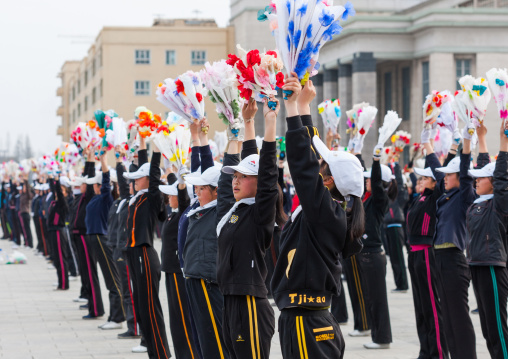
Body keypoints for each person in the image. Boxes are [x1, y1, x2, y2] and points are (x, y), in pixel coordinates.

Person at [272, 76, 364, 358]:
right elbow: (310, 158)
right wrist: (302, 109)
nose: (318, 165)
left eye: (323, 166)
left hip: (307, 321)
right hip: (303, 317)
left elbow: (303, 165)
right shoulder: (330, 211)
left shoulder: (328, 213)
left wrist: (293, 109)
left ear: (328, 181)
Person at [216, 96, 280, 358]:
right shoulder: (235, 211)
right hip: (230, 298)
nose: (236, 181)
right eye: (236, 176)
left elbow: (266, 172)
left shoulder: (260, 213)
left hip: (250, 302)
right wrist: (248, 122)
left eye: (243, 177)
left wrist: (270, 123)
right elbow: (251, 160)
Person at [429, 123, 489, 359]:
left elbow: (466, 174)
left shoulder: (465, 196)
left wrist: (466, 145)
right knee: (448, 315)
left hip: (454, 259)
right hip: (441, 259)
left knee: (459, 315)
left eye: (449, 175)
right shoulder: (445, 197)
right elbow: (436, 172)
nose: (445, 178)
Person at [183, 118, 229, 359]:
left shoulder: (221, 210)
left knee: (215, 342)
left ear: (217, 191)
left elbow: (214, 171)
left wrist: (233, 135)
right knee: (202, 338)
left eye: (202, 189)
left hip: (207, 280)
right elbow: (200, 171)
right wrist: (196, 138)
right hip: (193, 278)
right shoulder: (199, 208)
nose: (197, 192)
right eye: (197, 188)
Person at [406, 128, 452, 359]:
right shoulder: (420, 197)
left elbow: (441, 174)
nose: (420, 180)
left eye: (424, 178)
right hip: (414, 255)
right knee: (421, 306)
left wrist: (429, 147)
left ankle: (439, 353)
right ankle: (426, 350)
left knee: (433, 307)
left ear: (435, 182)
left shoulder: (437, 196)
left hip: (427, 254)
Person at [124, 139, 171, 359]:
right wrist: (141, 142)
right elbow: (140, 168)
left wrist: (156, 151)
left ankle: (161, 353)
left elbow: (153, 176)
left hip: (144, 253)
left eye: (137, 178)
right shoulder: (136, 198)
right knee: (142, 308)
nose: (133, 182)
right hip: (134, 254)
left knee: (151, 308)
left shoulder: (152, 198)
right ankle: (153, 352)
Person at [466, 122, 508, 359]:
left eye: (481, 179)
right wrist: (482, 138)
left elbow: (500, 177)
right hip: (477, 265)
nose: (476, 181)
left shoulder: (499, 204)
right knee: (487, 327)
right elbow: (487, 168)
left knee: (497, 327)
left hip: (493, 266)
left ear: (492, 182)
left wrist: (504, 143)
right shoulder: (480, 202)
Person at [352, 141, 394, 349]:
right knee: (371, 298)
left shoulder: (380, 199)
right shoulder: (366, 198)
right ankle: (377, 336)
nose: (367, 180)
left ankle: (383, 338)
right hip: (366, 254)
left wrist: (376, 161)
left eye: (370, 178)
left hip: (374, 255)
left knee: (378, 300)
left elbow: (377, 184)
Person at [159, 167, 198, 359]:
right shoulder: (172, 213)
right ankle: (181, 353)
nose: (168, 198)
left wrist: (181, 184)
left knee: (182, 317)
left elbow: (183, 199)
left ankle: (188, 354)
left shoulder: (183, 213)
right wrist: (174, 170)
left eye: (171, 195)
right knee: (175, 318)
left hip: (177, 270)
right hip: (169, 270)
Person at [84, 151, 125, 329]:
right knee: (108, 278)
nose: (94, 186)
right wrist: (90, 159)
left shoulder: (106, 198)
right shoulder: (95, 198)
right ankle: (114, 316)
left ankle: (117, 318)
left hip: (102, 239)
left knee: (112, 279)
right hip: (94, 239)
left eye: (97, 184)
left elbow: (107, 182)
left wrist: (103, 161)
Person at [384, 158, 409, 293]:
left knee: (398, 258)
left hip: (395, 226)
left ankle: (403, 284)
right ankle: (399, 284)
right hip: (388, 227)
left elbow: (398, 182)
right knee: (393, 258)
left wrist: (396, 165)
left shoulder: (397, 197)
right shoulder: (387, 196)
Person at [47, 173, 70, 290]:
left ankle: (64, 284)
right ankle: (60, 281)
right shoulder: (54, 202)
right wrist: (51, 179)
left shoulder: (63, 203)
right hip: (52, 231)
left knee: (61, 258)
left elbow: (59, 194)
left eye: (61, 190)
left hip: (58, 232)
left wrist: (57, 180)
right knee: (56, 259)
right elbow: (53, 190)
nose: (57, 191)